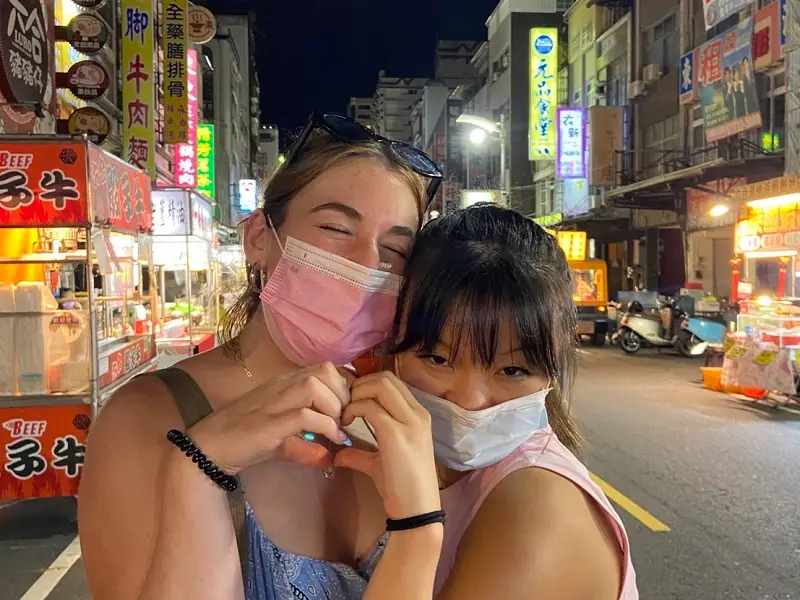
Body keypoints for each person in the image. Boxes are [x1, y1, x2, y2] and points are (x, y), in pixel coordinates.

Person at [77, 112, 443, 600]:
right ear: (258, 239)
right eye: (336, 228)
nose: (365, 265)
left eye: (394, 250)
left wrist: (422, 529)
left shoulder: (399, 417)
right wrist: (199, 468)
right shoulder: (144, 419)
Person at [338, 205, 637, 599]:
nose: (470, 401)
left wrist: (416, 527)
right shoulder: (398, 456)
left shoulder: (538, 509)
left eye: (512, 370)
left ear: (553, 367)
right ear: (390, 347)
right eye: (438, 360)